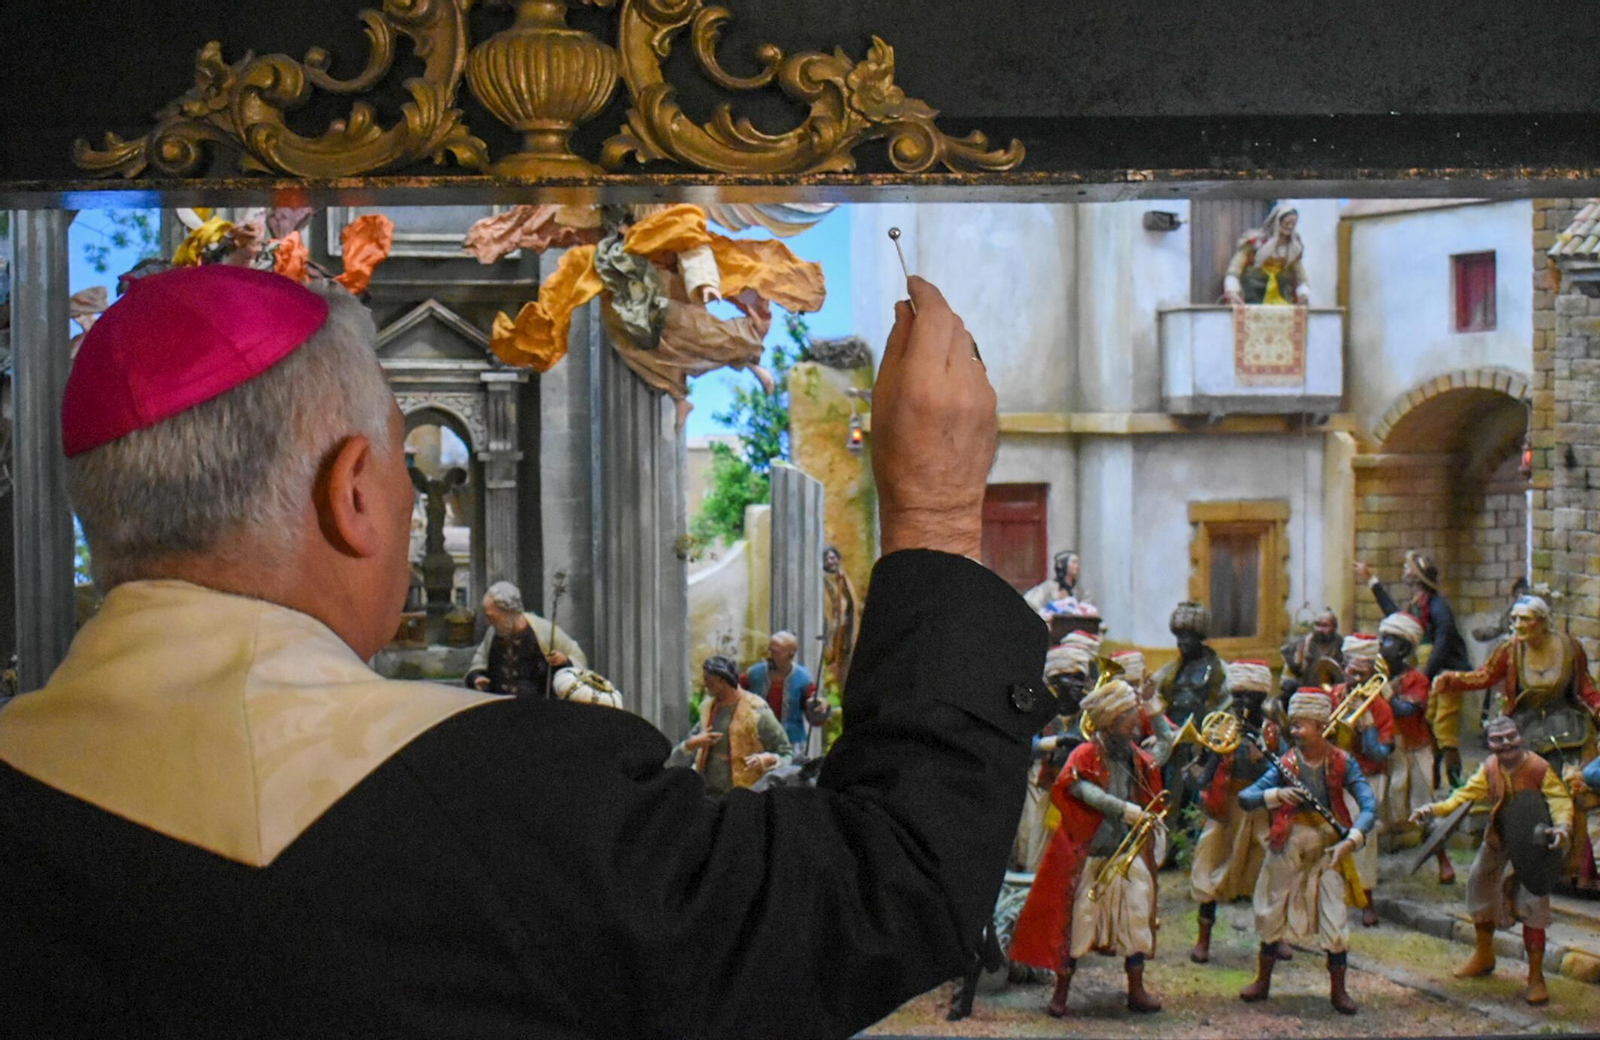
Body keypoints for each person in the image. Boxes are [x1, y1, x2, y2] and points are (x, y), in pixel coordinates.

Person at [0, 267, 1059, 1038]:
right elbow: (889, 885)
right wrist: (935, 509)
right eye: (405, 471)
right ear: (353, 494)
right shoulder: (520, 798)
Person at [1010, 681, 1165, 1017]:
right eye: (1128, 723)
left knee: (1136, 917)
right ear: (1110, 723)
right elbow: (1075, 786)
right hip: (1090, 857)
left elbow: (1163, 750)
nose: (1134, 729)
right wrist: (1121, 809)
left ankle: (1136, 989)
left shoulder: (1134, 757)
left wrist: (1154, 709)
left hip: (1126, 854)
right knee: (1078, 925)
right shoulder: (1084, 754)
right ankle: (1061, 993)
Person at [1411, 716, 1573, 1005]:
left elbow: (1559, 799)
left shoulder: (1538, 768)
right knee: (1479, 887)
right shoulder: (1489, 769)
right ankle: (1484, 955)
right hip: (1498, 841)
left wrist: (1562, 826)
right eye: (1498, 739)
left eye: (1511, 736)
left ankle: (1536, 977)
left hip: (1532, 848)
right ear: (1489, 744)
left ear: (1520, 737)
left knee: (1533, 906)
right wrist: (1434, 809)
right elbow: (1463, 795)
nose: (1506, 743)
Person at [1238, 691, 1377, 1015]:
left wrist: (1351, 839)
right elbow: (1246, 798)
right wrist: (1276, 794)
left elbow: (1369, 806)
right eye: (1293, 725)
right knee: (1272, 908)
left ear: (1321, 726)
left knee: (1334, 914)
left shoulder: (1343, 762)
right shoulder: (1286, 763)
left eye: (1301, 725)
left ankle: (1339, 990)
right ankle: (1263, 980)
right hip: (1287, 843)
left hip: (1330, 847)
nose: (1295, 732)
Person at [1187, 661, 1281, 963]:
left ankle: (1276, 936)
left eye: (1248, 697)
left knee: (1271, 870)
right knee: (1209, 865)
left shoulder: (1271, 732)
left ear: (1261, 698)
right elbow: (1207, 770)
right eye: (1237, 696)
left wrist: (1261, 752)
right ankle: (1203, 939)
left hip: (1260, 809)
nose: (1241, 703)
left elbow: (1284, 773)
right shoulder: (1224, 727)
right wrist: (1202, 768)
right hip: (1225, 808)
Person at [1354, 551, 1471, 783]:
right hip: (1429, 675)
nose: (1404, 571)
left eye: (1408, 567)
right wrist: (1372, 581)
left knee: (1444, 732)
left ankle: (1455, 784)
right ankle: (1435, 779)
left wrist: (1425, 675)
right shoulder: (1417, 605)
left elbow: (1444, 640)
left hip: (1445, 674)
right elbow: (1398, 620)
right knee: (1428, 729)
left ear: (1418, 575)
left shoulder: (1438, 606)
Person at [1377, 612, 1455, 883]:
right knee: (1382, 806)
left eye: (1388, 640)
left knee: (1423, 807)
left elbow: (1405, 710)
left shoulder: (1417, 680)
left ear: (1402, 648)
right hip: (1389, 749)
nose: (1380, 644)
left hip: (1415, 750)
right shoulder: (1378, 675)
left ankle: (1443, 860)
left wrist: (1385, 692)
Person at [1325, 635, 1394, 925]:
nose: (1356, 680)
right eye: (1352, 672)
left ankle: (1366, 900)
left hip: (1365, 778)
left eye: (1363, 675)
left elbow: (1381, 753)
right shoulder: (1331, 697)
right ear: (1343, 669)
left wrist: (1366, 728)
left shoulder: (1380, 708)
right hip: (1332, 774)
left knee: (1363, 838)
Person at [671, 657, 793, 794]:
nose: (706, 685)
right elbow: (686, 749)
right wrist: (692, 743)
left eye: (709, 681)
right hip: (709, 793)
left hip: (745, 793)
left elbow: (785, 753)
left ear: (722, 680)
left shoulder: (756, 711)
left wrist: (766, 759)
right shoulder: (708, 710)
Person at [463, 580, 586, 697]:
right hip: (498, 705)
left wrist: (564, 661)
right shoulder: (493, 633)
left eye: (492, 617)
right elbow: (479, 662)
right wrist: (477, 677)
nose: (488, 622)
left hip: (537, 706)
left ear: (508, 612)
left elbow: (578, 659)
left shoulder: (544, 631)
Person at [741, 630, 817, 749]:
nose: (770, 656)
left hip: (790, 741)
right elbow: (735, 694)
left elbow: (813, 711)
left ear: (790, 655)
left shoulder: (803, 678)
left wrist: (816, 706)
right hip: (756, 740)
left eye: (775, 652)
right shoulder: (753, 674)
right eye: (770, 651)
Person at [1222, 206, 1311, 306]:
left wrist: (1303, 294)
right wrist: (1232, 291)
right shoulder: (1254, 244)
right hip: (1253, 295)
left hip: (1282, 298)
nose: (1289, 227)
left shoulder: (1293, 249)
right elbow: (1234, 270)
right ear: (1276, 222)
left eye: (1293, 224)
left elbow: (1301, 277)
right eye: (1286, 223)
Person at [1278, 609, 1344, 702]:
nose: (1320, 629)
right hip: (1306, 685)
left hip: (1332, 687)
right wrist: (1300, 660)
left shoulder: (1341, 644)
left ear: (1334, 627)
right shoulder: (1305, 642)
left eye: (1325, 626)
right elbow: (1294, 669)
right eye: (1317, 625)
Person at [822, 544, 859, 691]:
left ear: (838, 559)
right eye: (826, 559)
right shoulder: (822, 581)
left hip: (844, 632)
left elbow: (851, 605)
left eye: (832, 558)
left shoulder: (843, 579)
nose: (830, 562)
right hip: (831, 631)